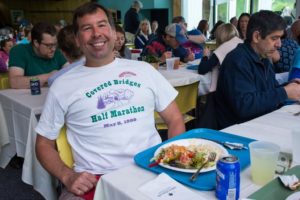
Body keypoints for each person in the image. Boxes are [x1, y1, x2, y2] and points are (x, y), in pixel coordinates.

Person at [35, 2, 185, 200]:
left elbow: (174, 118)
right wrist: (67, 176)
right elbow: (43, 143)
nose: (97, 33)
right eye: (87, 28)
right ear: (78, 39)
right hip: (94, 180)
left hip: (151, 169)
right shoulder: (62, 85)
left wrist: (171, 160)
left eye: (102, 25)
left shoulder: (144, 71)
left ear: (114, 33)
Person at [215, 10, 300, 129]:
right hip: (238, 132)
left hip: (260, 123)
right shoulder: (237, 61)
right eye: (274, 38)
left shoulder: (263, 57)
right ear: (256, 37)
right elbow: (245, 106)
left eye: (280, 38)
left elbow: (267, 91)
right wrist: (284, 92)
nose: (279, 45)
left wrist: (290, 87)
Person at [9, 22, 67, 89]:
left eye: (55, 44)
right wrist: (48, 76)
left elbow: (71, 71)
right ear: (36, 43)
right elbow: (14, 82)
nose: (53, 49)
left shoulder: (57, 52)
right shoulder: (19, 51)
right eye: (49, 45)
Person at [198, 23, 242, 92]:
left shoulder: (223, 48)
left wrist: (205, 56)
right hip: (242, 86)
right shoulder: (241, 44)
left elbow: (202, 69)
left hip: (227, 90)